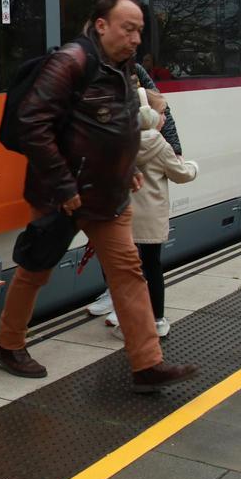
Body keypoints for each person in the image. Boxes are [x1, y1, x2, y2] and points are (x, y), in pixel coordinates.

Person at [0, 0, 199, 392]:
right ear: (101, 25)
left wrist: (126, 168)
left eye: (140, 31)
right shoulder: (71, 61)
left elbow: (119, 126)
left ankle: (147, 363)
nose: (136, 38)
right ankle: (7, 345)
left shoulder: (124, 66)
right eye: (128, 29)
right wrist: (64, 184)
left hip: (109, 193)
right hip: (61, 195)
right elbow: (33, 124)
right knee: (36, 270)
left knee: (128, 272)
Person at [87, 56, 181, 317]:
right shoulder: (87, 72)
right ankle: (119, 296)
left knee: (128, 244)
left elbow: (163, 108)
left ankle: (127, 303)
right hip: (109, 166)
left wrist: (176, 148)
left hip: (128, 166)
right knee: (109, 242)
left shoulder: (135, 71)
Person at [105, 105, 198, 338]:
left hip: (125, 216)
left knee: (128, 271)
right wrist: (193, 167)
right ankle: (157, 320)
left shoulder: (123, 146)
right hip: (152, 218)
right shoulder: (161, 145)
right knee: (152, 267)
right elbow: (181, 175)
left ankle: (126, 321)